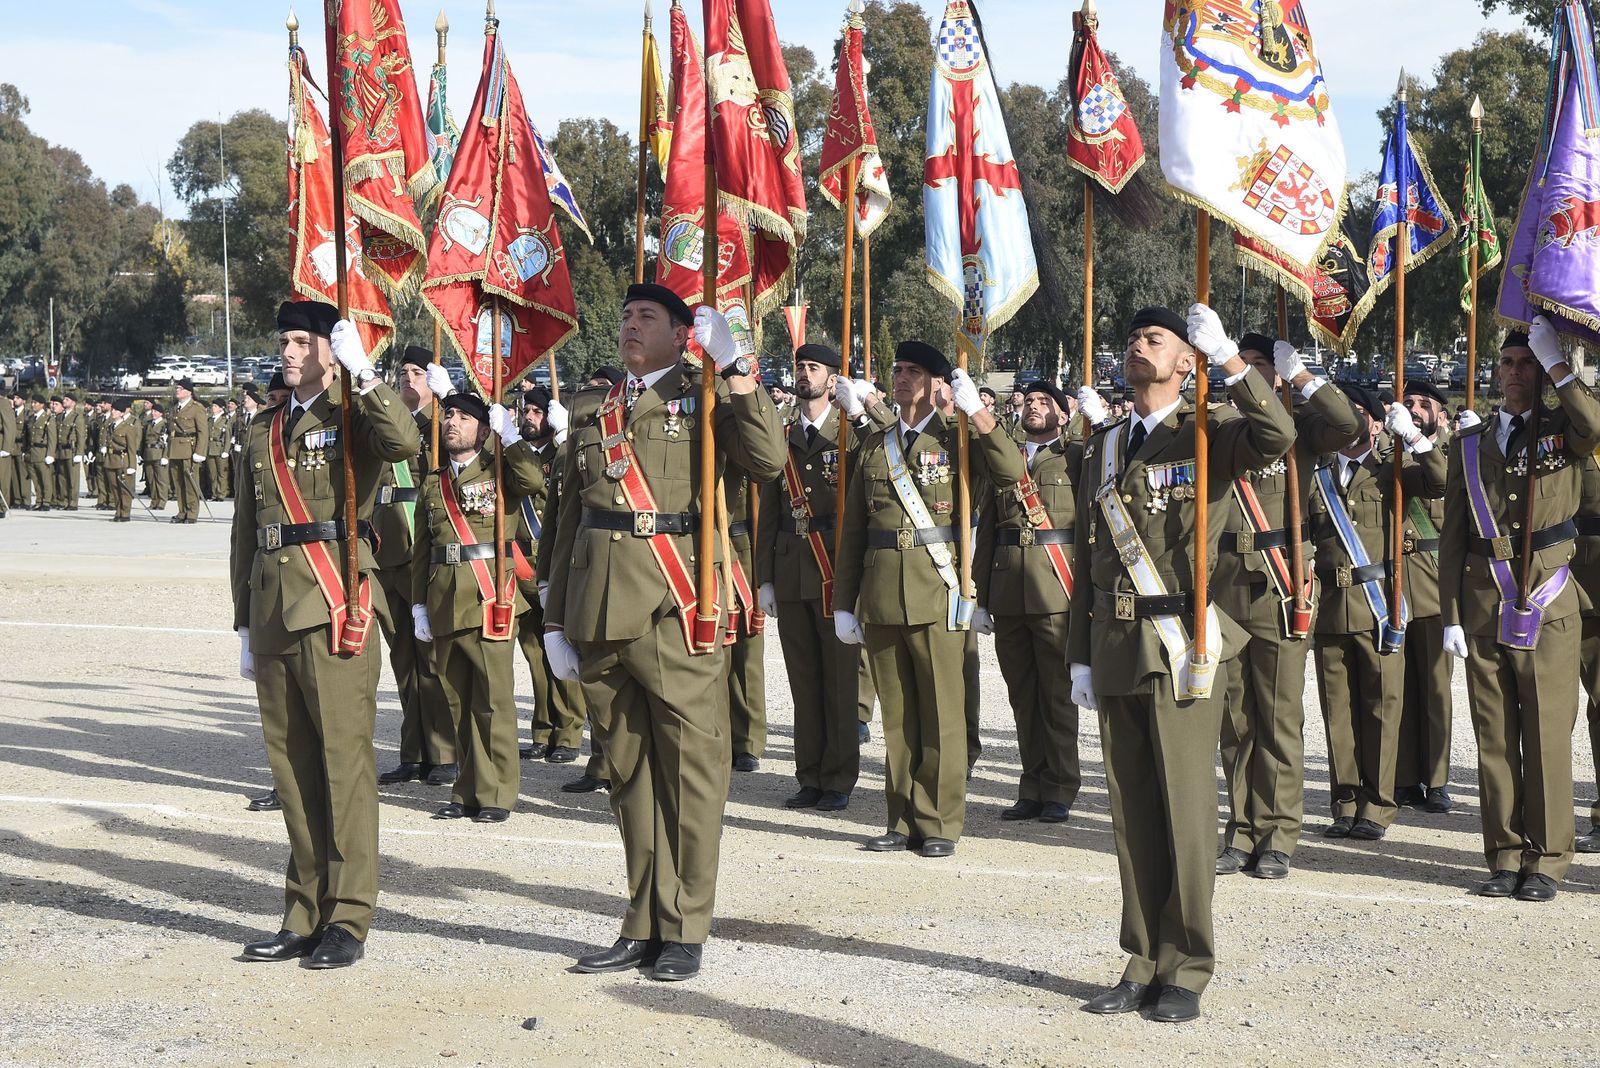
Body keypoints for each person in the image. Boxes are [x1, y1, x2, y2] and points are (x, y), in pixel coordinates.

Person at [543, 285, 784, 981]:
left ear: (683, 334)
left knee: (692, 774)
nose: (630, 325)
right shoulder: (593, 406)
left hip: (678, 608)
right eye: (624, 316)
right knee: (629, 777)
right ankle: (642, 920)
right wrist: (556, 613)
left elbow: (767, 461)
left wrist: (734, 366)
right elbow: (570, 518)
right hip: (600, 610)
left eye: (646, 317)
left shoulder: (705, 391)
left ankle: (684, 926)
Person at [1069, 305, 1294, 1024]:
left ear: (1184, 362)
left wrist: (1231, 360)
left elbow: (1279, 434)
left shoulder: (1211, 432)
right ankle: (1142, 959)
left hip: (1182, 648)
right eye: (1132, 337)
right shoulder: (1103, 445)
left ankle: (1188, 966)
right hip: (1114, 645)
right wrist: (1078, 654)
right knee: (1133, 813)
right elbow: (1088, 560)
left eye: (1154, 339)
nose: (1138, 346)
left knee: (1187, 813)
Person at [231, 300, 421, 968]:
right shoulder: (262, 428)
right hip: (275, 608)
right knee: (292, 770)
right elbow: (246, 533)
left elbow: (406, 444)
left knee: (344, 768)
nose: (288, 350)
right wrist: (242, 623)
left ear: (328, 351)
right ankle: (302, 910)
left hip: (336, 602)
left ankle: (348, 916)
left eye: (303, 341)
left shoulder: (352, 415)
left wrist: (364, 374)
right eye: (284, 338)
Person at [832, 341, 1025, 858]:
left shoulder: (959, 438)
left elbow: (1010, 474)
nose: (901, 378)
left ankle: (939, 820)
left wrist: (979, 413)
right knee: (896, 716)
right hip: (880, 594)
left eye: (914, 371)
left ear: (939, 382)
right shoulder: (875, 446)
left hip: (940, 593)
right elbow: (853, 530)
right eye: (896, 370)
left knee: (942, 712)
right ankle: (902, 818)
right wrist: (844, 601)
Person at [1440, 319, 1600, 901]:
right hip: (1484, 602)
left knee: (1546, 734)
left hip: (1549, 596)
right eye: (1508, 363)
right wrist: (1451, 615)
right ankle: (1505, 854)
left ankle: (1549, 859)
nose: (1514, 373)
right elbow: (1455, 535)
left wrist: (1559, 365)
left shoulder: (1565, 431)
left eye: (1525, 363)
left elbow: (1595, 423)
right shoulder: (1470, 442)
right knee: (1496, 736)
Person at [1214, 335, 1362, 880]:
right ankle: (1242, 830)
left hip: (1280, 586)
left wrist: (1302, 378)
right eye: (1239, 366)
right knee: (1235, 720)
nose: (1247, 375)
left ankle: (1279, 835)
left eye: (1258, 367)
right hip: (1223, 586)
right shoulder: (1219, 428)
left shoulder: (1299, 430)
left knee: (1278, 719)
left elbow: (1349, 427)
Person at [1309, 384, 1445, 843]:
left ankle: (1378, 805)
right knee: (1337, 711)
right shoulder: (1318, 471)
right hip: (1331, 606)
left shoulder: (1394, 468)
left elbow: (1442, 481)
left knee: (1383, 708)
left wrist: (1417, 441)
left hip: (1381, 605)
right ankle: (1344, 802)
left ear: (1372, 420)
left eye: (1351, 416)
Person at [411, 390, 543, 823]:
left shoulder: (500, 469)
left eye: (464, 418)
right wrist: (418, 605)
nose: (452, 422)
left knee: (493, 703)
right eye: (448, 415)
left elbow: (534, 482)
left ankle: (497, 793)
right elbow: (421, 551)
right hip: (444, 599)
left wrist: (512, 438)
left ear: (483, 430)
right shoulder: (433, 482)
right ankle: (466, 789)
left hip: (490, 597)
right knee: (458, 703)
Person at [972, 380, 1085, 823]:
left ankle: (1060, 787)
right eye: (1031, 401)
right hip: (1008, 591)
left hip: (1057, 589)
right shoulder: (1007, 460)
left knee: (1057, 696)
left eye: (1046, 402)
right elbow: (987, 530)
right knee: (1022, 695)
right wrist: (980, 596)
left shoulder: (1076, 456)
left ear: (1063, 412)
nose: (1036, 407)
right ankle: (1032, 785)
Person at [757, 344, 861, 811]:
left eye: (813, 368)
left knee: (840, 680)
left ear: (832, 379)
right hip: (791, 567)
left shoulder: (849, 435)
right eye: (799, 366)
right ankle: (810, 775)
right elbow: (767, 512)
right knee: (803, 681)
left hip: (834, 568)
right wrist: (764, 578)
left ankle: (838, 777)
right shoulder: (781, 435)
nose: (803, 374)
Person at [374, 348, 459, 787]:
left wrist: (451, 399)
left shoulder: (442, 424)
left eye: (417, 372)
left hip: (420, 550)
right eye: (403, 372)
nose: (408, 378)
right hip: (386, 550)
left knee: (433, 658)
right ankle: (413, 752)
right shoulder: (389, 424)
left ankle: (443, 752)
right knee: (403, 659)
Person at [511, 385, 586, 766]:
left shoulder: (565, 452)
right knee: (534, 655)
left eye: (538, 412)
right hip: (522, 562)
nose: (530, 417)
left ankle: (570, 731)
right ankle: (542, 729)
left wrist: (564, 434)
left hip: (556, 564)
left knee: (562, 648)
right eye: (527, 411)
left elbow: (547, 487)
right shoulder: (512, 453)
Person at [1395, 378, 1456, 813]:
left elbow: (1441, 482)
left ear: (1442, 415)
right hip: (1397, 585)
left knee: (1435, 688)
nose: (1414, 409)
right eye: (1408, 402)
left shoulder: (1455, 454)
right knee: (1399, 689)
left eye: (1423, 403)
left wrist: (1416, 440)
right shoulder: (1388, 453)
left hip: (1435, 585)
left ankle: (1436, 780)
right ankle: (1401, 778)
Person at [169, 378, 206, 523]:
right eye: (177, 388)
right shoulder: (174, 407)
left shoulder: (196, 408)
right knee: (178, 482)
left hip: (189, 448)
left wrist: (200, 452)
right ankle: (182, 511)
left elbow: (203, 432)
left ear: (188, 392)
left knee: (190, 482)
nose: (177, 391)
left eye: (180, 388)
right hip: (175, 447)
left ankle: (192, 512)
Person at [105, 397, 139, 522]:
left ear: (121, 413)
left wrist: (132, 466)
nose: (113, 412)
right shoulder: (110, 426)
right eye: (112, 410)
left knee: (124, 488)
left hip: (123, 460)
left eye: (115, 410)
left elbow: (131, 448)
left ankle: (125, 512)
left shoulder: (128, 427)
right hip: (111, 459)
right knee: (114, 488)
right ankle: (118, 511)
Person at [23, 395, 56, 510]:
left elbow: (52, 438)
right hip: (31, 452)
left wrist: (50, 454)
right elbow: (27, 437)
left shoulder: (48, 419)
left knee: (45, 478)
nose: (33, 405)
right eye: (32, 402)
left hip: (42, 452)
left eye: (35, 403)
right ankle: (39, 500)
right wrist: (25, 451)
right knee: (35, 479)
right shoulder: (31, 418)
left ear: (42, 404)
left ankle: (46, 501)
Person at [54, 394, 85, 510]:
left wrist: (79, 453)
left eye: (67, 400)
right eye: (64, 399)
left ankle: (73, 502)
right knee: (62, 478)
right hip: (61, 451)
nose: (64, 401)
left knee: (73, 479)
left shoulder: (77, 417)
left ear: (73, 403)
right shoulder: (60, 416)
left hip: (71, 452)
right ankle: (64, 501)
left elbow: (81, 437)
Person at [141, 402, 169, 511]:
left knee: (161, 480)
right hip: (148, 454)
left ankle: (162, 501)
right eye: (152, 411)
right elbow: (144, 440)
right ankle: (154, 501)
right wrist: (141, 453)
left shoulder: (164, 425)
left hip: (159, 453)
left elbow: (167, 441)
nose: (153, 413)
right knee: (151, 480)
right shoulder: (148, 424)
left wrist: (165, 456)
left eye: (156, 411)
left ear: (161, 413)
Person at [206, 399, 232, 501]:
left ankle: (221, 494)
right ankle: (214, 493)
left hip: (220, 448)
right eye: (213, 406)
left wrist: (226, 450)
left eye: (215, 406)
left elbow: (228, 437)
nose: (213, 408)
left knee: (222, 474)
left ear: (221, 408)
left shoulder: (225, 420)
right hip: (210, 448)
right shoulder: (210, 420)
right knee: (212, 474)